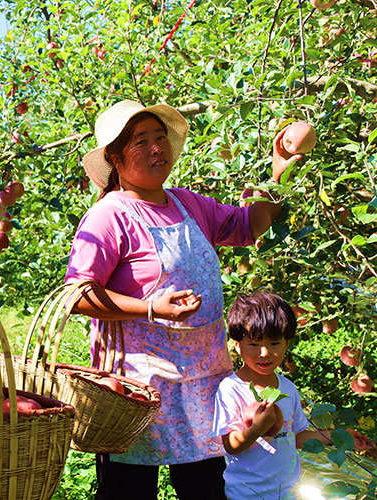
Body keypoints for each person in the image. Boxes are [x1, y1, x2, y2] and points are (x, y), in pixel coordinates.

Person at [65, 100, 302, 500]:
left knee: (207, 490)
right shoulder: (109, 216)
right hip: (137, 390)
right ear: (114, 158)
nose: (158, 147)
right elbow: (77, 294)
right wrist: (152, 307)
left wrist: (279, 170)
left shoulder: (187, 203)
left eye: (161, 137)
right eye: (141, 141)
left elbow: (250, 224)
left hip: (202, 382)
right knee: (129, 492)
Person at [212, 293, 373, 500]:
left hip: (288, 493)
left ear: (286, 344)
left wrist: (337, 436)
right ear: (237, 344)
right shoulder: (231, 388)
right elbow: (231, 445)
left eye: (274, 343)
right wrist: (258, 428)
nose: (264, 353)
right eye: (254, 344)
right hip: (246, 494)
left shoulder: (286, 388)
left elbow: (295, 437)